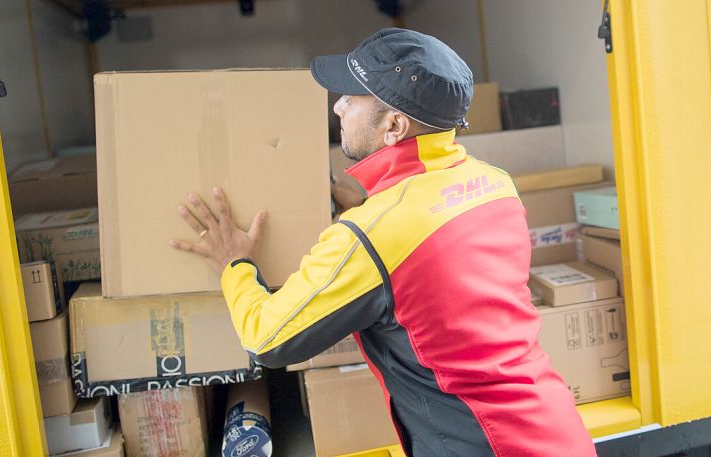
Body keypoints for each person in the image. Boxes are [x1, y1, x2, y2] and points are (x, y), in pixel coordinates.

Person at [169, 28, 596, 456]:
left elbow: (266, 339)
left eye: (353, 97)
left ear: (394, 125)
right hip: (557, 431)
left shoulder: (371, 235)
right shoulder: (494, 183)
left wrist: (235, 264)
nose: (338, 105)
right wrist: (371, 202)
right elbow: (436, 253)